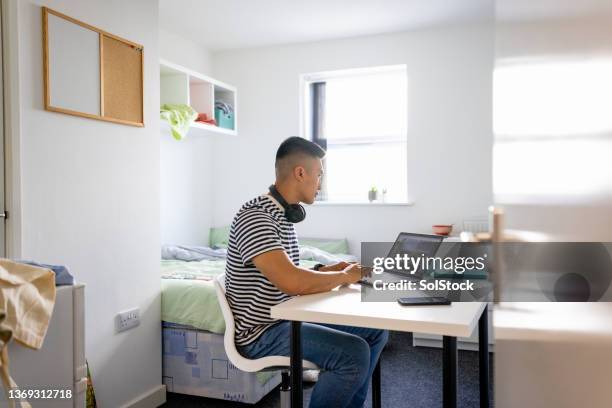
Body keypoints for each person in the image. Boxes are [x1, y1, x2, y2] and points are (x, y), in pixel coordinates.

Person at [225, 136, 388, 408]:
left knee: (375, 331)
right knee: (353, 354)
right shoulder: (256, 216)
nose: (320, 184)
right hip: (262, 331)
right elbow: (291, 281)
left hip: (286, 315)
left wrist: (325, 270)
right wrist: (347, 276)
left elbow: (284, 268)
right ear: (300, 173)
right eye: (319, 175)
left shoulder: (282, 214)